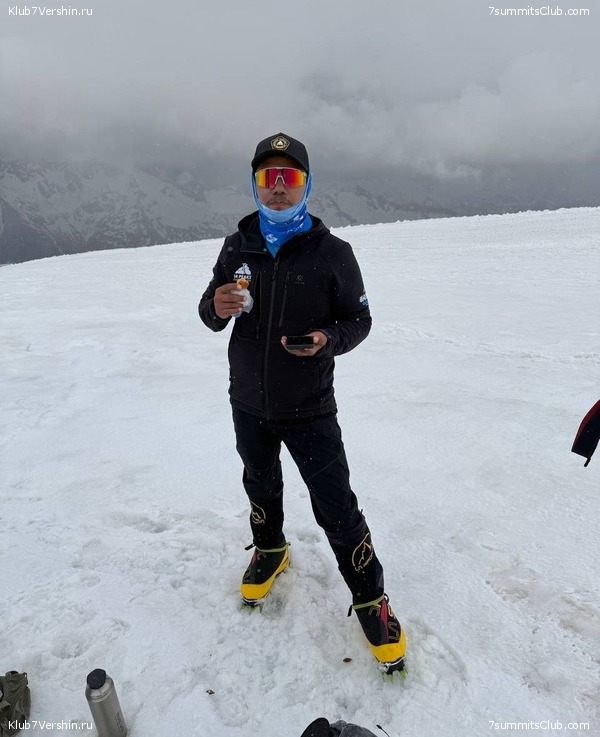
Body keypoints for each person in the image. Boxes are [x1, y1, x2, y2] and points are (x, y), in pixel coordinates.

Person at [198, 133, 406, 673]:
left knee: (336, 505)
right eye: (267, 177)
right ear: (255, 185)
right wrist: (216, 306)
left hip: (309, 407)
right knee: (259, 482)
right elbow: (209, 312)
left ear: (306, 185)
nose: (278, 188)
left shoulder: (333, 254)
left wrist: (326, 340)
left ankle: (371, 598)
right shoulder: (236, 247)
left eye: (289, 178)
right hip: (248, 401)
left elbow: (359, 320)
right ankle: (270, 549)